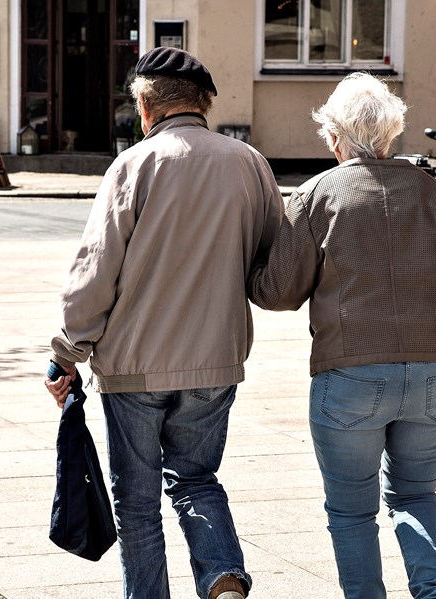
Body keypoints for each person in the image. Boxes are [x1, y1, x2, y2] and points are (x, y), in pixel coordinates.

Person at [43, 47, 283, 599]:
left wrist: (65, 352)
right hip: (215, 361)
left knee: (138, 504)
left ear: (145, 106)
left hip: (134, 366)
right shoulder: (248, 163)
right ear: (205, 104)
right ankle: (223, 579)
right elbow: (277, 264)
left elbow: (94, 271)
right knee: (197, 480)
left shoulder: (134, 165)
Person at [248, 72, 436, 599]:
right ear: (390, 135)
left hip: (352, 369)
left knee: (351, 511)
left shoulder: (317, 194)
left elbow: (279, 293)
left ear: (335, 137)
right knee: (415, 494)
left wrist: (250, 265)